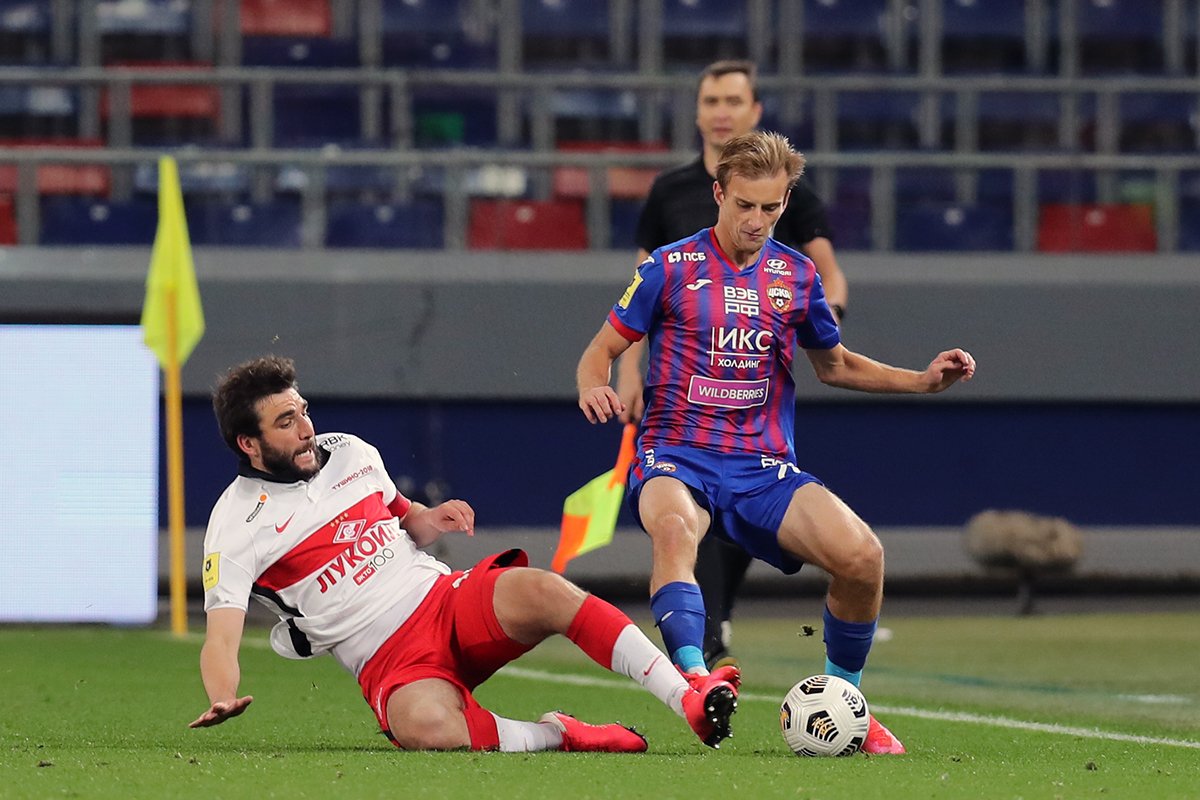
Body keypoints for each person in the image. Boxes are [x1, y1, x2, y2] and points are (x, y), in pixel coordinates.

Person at [576, 131, 976, 755]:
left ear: (785, 202)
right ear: (719, 194)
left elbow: (834, 365)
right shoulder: (668, 267)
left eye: (770, 207)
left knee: (863, 557)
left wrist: (923, 381)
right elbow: (600, 350)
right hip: (675, 456)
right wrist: (594, 385)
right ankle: (696, 683)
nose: (756, 220)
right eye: (744, 205)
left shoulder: (798, 275)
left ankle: (846, 702)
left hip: (763, 468)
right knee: (675, 530)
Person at [191, 355, 741, 752]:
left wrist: (430, 518)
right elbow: (220, 639)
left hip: (443, 600)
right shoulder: (235, 526)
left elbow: (404, 518)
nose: (307, 430)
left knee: (544, 589)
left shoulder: (350, 451)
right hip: (388, 659)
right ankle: (559, 735)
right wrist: (223, 695)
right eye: (285, 423)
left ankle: (687, 698)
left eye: (303, 411)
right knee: (429, 728)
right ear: (249, 444)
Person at [620, 60, 850, 669]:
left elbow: (829, 276)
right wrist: (627, 374)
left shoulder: (789, 196)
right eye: (711, 100)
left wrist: (819, 320)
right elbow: (637, 290)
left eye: (733, 101)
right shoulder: (669, 192)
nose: (721, 112)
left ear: (754, 112)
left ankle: (715, 625)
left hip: (756, 393)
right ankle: (706, 640)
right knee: (685, 514)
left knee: (747, 510)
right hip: (682, 399)